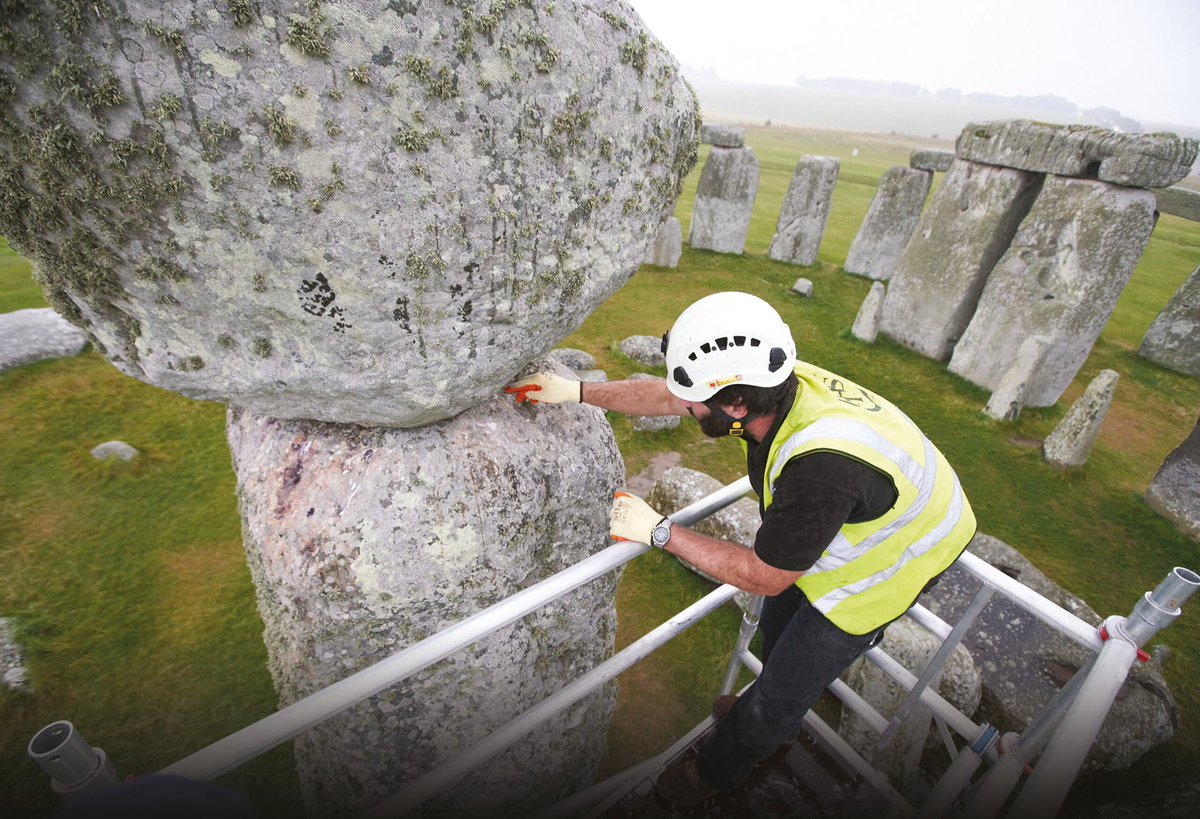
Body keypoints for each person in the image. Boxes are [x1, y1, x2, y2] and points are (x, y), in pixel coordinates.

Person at [505, 291, 976, 804]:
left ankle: (715, 772)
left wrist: (661, 531)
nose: (682, 408)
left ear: (735, 406)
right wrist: (574, 390)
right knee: (776, 635)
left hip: (888, 563)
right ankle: (776, 724)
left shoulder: (820, 468)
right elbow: (672, 396)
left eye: (694, 402)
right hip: (862, 514)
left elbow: (765, 575)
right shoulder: (766, 381)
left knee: (780, 691)